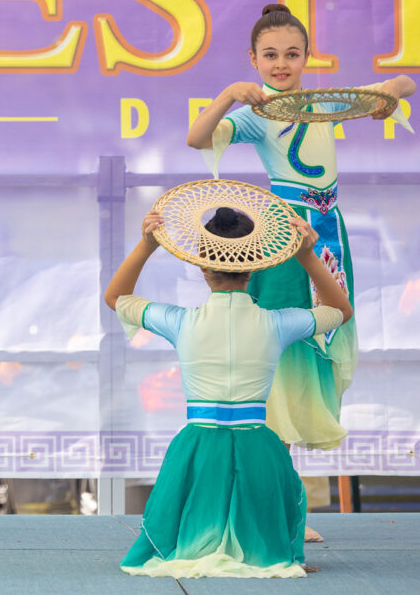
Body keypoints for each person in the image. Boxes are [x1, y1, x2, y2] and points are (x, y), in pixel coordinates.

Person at [186, 4, 414, 454]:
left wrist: (388, 95)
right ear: (253, 60)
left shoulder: (321, 103)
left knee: (316, 345)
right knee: (283, 348)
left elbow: (405, 83)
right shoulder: (255, 114)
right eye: (270, 56)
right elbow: (197, 137)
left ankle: (289, 502)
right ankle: (275, 495)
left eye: (292, 54)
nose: (281, 64)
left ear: (307, 56)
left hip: (329, 234)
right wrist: (230, 94)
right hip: (287, 236)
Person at [105, 206, 353, 577]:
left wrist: (146, 246)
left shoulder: (180, 321)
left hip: (197, 448)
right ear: (255, 268)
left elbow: (116, 297)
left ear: (202, 266)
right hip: (260, 449)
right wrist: (306, 255)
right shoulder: (277, 323)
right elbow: (340, 310)